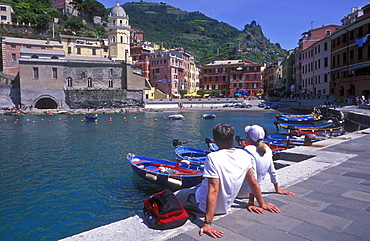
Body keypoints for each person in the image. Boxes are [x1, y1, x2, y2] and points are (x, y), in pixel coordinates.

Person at [175, 123, 280, 238]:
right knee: (198, 186)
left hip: (202, 204)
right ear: (232, 138)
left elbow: (213, 191)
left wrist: (208, 223)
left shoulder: (213, 157)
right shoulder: (244, 155)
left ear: (215, 139)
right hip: (225, 207)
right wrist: (262, 203)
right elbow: (253, 182)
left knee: (178, 195)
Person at [238, 125, 294, 213]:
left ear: (249, 137)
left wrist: (254, 202)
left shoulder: (247, 150)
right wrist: (277, 189)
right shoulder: (268, 149)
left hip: (243, 192)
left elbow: (253, 178)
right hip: (257, 189)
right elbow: (272, 171)